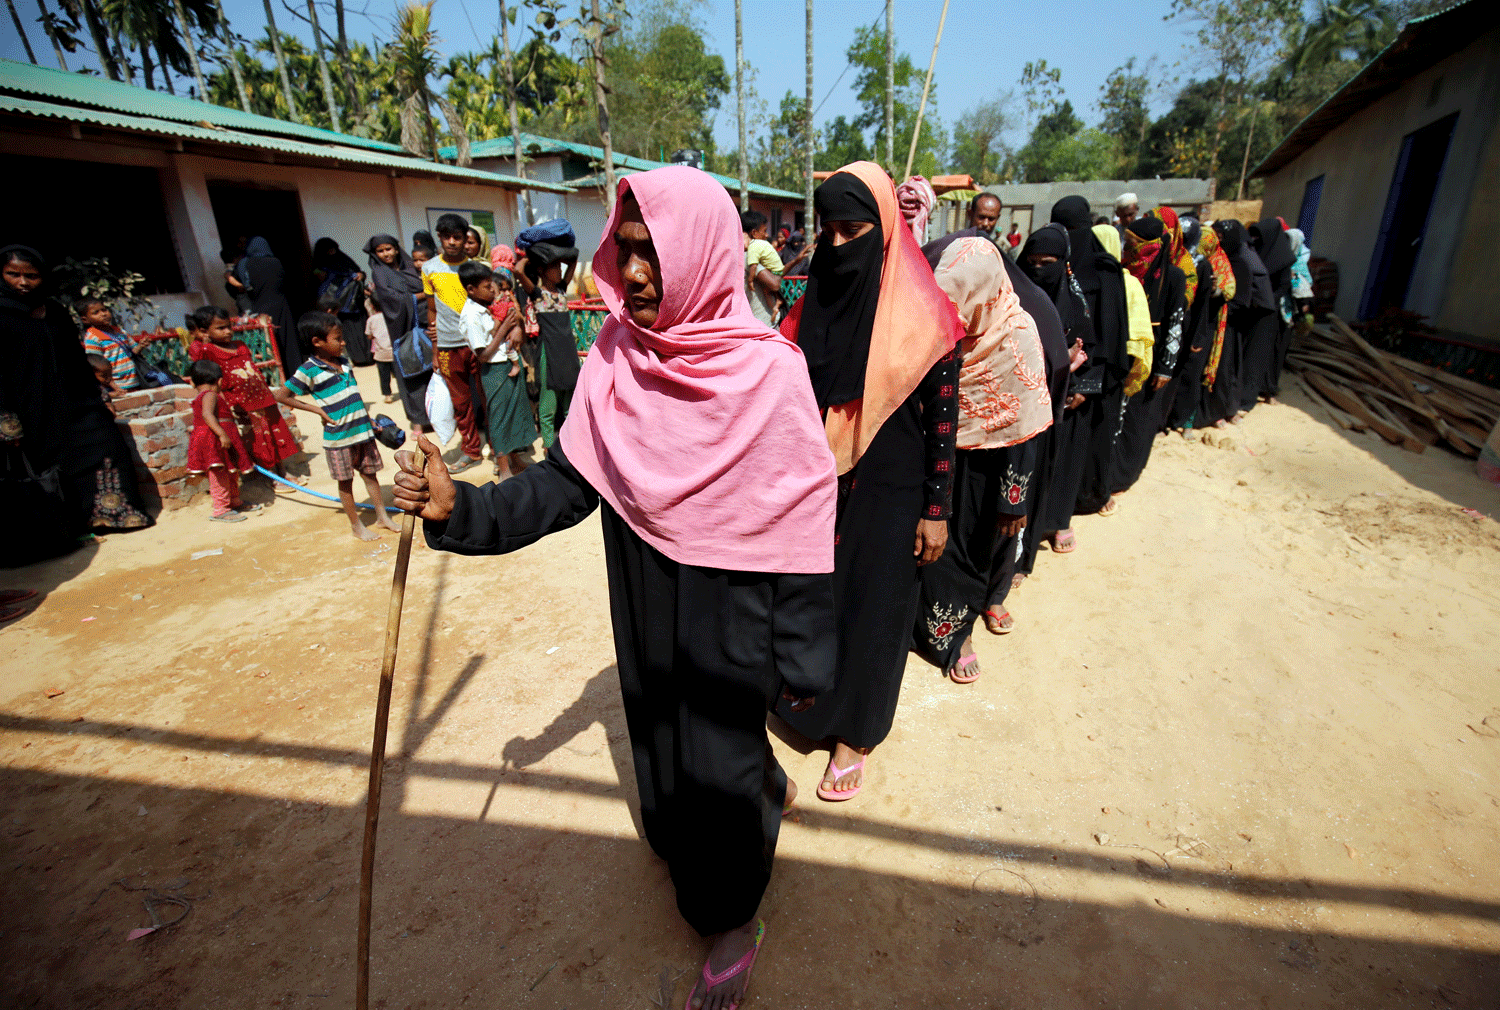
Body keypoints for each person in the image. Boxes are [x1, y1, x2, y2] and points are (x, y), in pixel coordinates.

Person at [391, 165, 838, 1010]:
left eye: (652, 254)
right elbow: (565, 484)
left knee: (721, 761)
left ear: (703, 258)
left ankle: (735, 916)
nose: (630, 273)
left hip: (729, 602)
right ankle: (716, 828)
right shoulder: (615, 357)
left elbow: (803, 526)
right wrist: (463, 509)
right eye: (624, 251)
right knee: (661, 737)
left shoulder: (771, 374)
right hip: (642, 588)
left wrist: (806, 658)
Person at [773, 161, 963, 802]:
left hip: (895, 488)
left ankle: (856, 733)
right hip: (819, 484)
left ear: (883, 230)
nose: (835, 247)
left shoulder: (925, 316)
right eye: (827, 231)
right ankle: (810, 704)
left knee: (877, 610)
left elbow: (942, 421)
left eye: (852, 231)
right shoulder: (810, 304)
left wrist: (936, 507)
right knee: (818, 600)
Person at [914, 236, 1052, 680]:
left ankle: (959, 634)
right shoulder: (941, 327)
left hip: (988, 469)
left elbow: (1025, 423)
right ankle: (920, 628)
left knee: (969, 548)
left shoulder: (1016, 333)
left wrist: (1014, 497)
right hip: (936, 457)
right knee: (928, 549)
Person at [0, 244, 152, 557]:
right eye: (13, 274)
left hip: (74, 399)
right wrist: (5, 417)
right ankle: (64, 528)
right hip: (27, 407)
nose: (23, 282)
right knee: (44, 466)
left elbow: (76, 355)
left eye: (31, 275)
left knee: (105, 444)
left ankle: (111, 514)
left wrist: (99, 393)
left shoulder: (54, 310)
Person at [1046, 196, 1130, 541]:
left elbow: (1111, 333)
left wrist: (1086, 383)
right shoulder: (1049, 261)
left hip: (1083, 380)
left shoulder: (1105, 270)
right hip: (1049, 374)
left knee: (1072, 451)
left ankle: (1060, 520)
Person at [276, 312, 401, 542]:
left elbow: (353, 394)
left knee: (370, 475)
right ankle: (356, 525)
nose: (343, 343)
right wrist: (318, 410)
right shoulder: (308, 370)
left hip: (362, 431)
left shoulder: (344, 363)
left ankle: (382, 516)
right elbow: (283, 396)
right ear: (317, 342)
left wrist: (367, 418)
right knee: (346, 483)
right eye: (337, 339)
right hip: (339, 438)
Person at [1018, 224, 1098, 567]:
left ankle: (1025, 555)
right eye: (1031, 262)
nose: (1038, 270)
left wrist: (1074, 383)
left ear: (1063, 264)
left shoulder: (1075, 304)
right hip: (1017, 408)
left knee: (1039, 480)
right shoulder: (1012, 297)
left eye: (1047, 262)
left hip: (1056, 406)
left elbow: (1089, 348)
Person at [1110, 214, 1186, 496]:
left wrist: (1166, 366)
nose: (1128, 250)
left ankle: (1123, 477)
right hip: (1124, 350)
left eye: (1134, 244)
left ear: (1151, 246)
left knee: (1138, 420)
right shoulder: (1124, 270)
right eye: (1126, 243)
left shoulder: (1173, 277)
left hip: (1152, 356)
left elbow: (1176, 322)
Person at [187, 305, 301, 485]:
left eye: (228, 326)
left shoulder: (240, 346)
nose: (227, 332)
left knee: (274, 432)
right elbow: (205, 373)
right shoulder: (207, 351)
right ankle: (272, 476)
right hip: (241, 403)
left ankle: (282, 470)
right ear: (204, 331)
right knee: (258, 437)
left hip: (263, 397)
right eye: (220, 328)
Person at [458, 260, 532, 478]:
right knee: (499, 418)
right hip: (495, 370)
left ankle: (515, 460)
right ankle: (504, 468)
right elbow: (482, 355)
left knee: (514, 414)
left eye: (492, 285)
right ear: (471, 289)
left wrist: (514, 326)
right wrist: (506, 328)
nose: (493, 290)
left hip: (508, 364)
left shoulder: (485, 307)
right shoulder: (471, 316)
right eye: (487, 286)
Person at [424, 213, 486, 473]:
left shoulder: (476, 268)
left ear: (465, 239)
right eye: (446, 237)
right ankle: (472, 451)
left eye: (457, 237)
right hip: (448, 346)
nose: (451, 242)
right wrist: (435, 351)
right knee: (461, 403)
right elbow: (432, 311)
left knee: (488, 397)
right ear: (439, 238)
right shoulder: (429, 269)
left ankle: (500, 449)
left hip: (480, 345)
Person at [363, 234, 433, 440]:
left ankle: (437, 417)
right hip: (402, 330)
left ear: (396, 248)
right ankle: (418, 422)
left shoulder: (411, 265)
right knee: (411, 374)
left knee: (433, 372)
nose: (386, 254)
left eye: (389, 249)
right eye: (381, 251)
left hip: (426, 324)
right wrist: (422, 295)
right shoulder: (380, 273)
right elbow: (392, 301)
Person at [516, 240, 578, 449]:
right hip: (549, 354)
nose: (560, 271)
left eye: (560, 267)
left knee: (572, 408)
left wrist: (557, 255)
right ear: (542, 270)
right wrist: (531, 255)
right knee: (548, 409)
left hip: (568, 353)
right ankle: (550, 452)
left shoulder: (561, 290)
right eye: (554, 267)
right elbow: (518, 270)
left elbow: (574, 258)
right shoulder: (537, 294)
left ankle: (573, 447)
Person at [185, 359, 259, 523]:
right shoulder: (210, 395)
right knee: (219, 476)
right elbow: (207, 415)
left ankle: (233, 501)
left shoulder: (204, 395)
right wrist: (222, 434)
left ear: (192, 382)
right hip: (214, 440)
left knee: (230, 472)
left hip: (218, 440)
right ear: (219, 381)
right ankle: (221, 509)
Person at [1245, 216, 1296, 407]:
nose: (1256, 239)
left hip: (1268, 314)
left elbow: (1283, 286)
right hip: (1252, 309)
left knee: (1258, 354)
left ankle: (1253, 392)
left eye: (1259, 235)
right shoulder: (1257, 251)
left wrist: (1264, 301)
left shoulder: (1283, 259)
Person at [235, 237, 300, 378]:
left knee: (268, 342)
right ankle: (296, 376)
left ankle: (275, 377)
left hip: (260, 308)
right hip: (282, 306)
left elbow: (236, 282)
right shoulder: (276, 262)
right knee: (288, 340)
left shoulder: (245, 264)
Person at [311, 238, 371, 366]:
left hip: (354, 305)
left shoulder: (345, 260)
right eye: (328, 250)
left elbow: (359, 272)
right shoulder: (319, 267)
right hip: (337, 308)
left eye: (334, 249)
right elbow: (322, 284)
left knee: (361, 330)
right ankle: (354, 359)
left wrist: (361, 275)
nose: (332, 252)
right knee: (344, 333)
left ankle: (367, 357)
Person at [77, 298, 142, 392]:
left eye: (104, 310)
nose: (103, 314)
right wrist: (114, 387)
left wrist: (141, 346)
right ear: (85, 319)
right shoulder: (93, 338)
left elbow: (134, 350)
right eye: (96, 312)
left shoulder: (119, 331)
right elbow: (96, 366)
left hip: (136, 380)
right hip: (117, 385)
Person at [742, 210, 784, 326]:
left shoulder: (739, 254)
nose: (766, 235)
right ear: (754, 233)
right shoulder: (749, 258)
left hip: (752, 322)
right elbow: (775, 284)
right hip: (764, 324)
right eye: (764, 231)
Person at [366, 292, 396, 403]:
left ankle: (388, 395)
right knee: (399, 374)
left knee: (384, 376)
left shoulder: (371, 320)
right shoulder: (391, 316)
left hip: (380, 354)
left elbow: (369, 335)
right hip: (394, 352)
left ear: (372, 306)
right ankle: (404, 391)